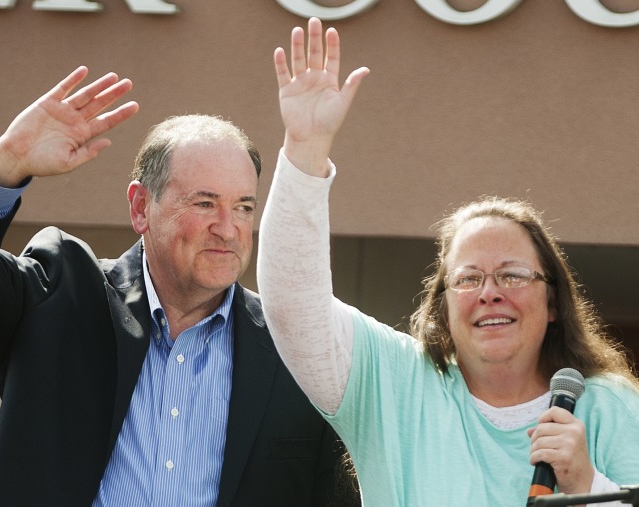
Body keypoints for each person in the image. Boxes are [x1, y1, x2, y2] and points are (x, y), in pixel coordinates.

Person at [0, 65, 359, 506]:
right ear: (142, 207)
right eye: (205, 203)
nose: (228, 228)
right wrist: (4, 164)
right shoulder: (60, 295)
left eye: (243, 207)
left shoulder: (291, 347)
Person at [257, 17, 639, 506]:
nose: (490, 291)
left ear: (554, 303)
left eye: (513, 274)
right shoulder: (392, 385)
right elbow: (292, 304)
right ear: (441, 307)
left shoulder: (609, 407)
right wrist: (306, 151)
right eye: (468, 278)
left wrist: (588, 485)